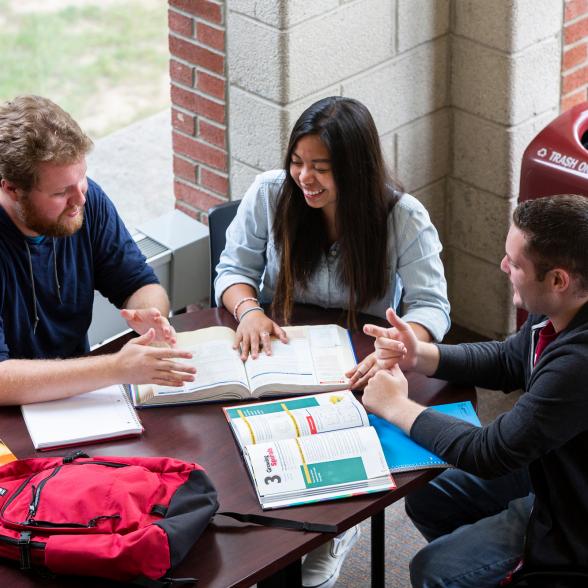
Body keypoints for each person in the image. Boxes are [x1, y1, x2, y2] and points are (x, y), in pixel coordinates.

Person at [214, 96, 451, 588]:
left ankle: (329, 530)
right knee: (255, 446)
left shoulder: (402, 216)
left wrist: (402, 342)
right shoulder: (270, 193)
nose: (305, 179)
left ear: (356, 169)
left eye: (321, 168)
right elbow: (233, 270)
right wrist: (249, 310)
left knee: (335, 438)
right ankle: (277, 543)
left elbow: (432, 306)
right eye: (298, 163)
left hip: (360, 357)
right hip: (280, 348)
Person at [363, 194, 588, 587]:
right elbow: (509, 359)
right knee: (428, 497)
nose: (503, 266)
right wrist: (422, 355)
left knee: (434, 571)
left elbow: (489, 453)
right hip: (551, 466)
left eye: (515, 263)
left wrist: (395, 405)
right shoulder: (560, 308)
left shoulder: (578, 365)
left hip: (573, 516)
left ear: (558, 280)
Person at [0, 95, 196, 405]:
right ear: (10, 188)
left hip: (76, 399)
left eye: (82, 180)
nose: (79, 199)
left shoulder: (85, 203)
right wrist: (116, 368)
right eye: (61, 191)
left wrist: (152, 316)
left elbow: (138, 282)